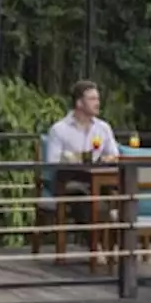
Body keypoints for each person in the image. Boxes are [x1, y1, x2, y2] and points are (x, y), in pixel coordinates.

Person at [44, 80, 119, 222]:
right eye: (92, 99)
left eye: (97, 99)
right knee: (81, 194)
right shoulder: (59, 129)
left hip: (96, 180)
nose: (97, 103)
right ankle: (95, 241)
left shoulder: (103, 128)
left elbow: (114, 154)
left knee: (117, 192)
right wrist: (74, 158)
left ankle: (110, 238)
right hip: (67, 180)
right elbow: (52, 162)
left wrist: (108, 159)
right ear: (79, 103)